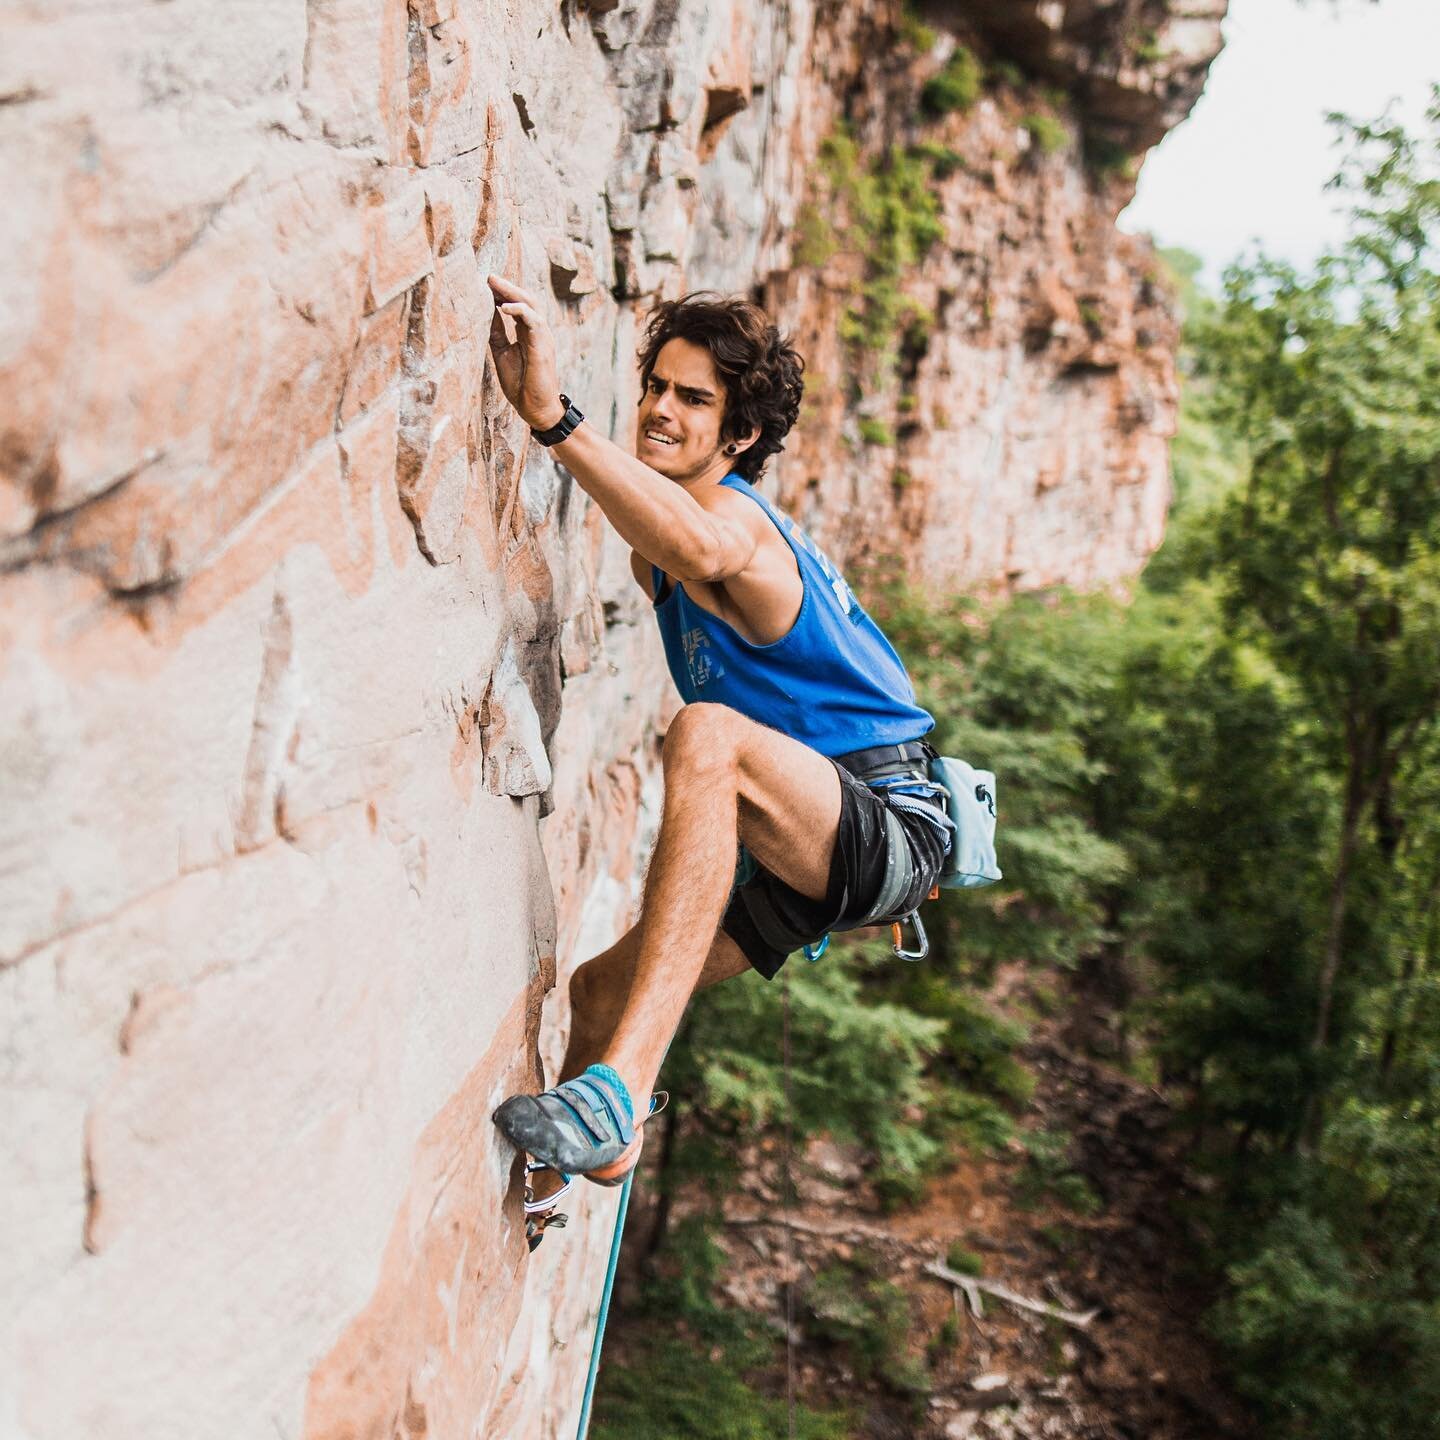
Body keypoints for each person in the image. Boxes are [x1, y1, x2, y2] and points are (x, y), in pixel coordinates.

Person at [487, 274, 952, 1218]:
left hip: (881, 819)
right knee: (599, 989)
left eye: (693, 399)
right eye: (656, 385)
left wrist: (551, 417)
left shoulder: (736, 526)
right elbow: (664, 538)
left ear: (739, 437)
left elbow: (704, 550)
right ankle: (557, 1185)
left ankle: (618, 1098)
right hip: (804, 833)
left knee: (707, 735)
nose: (661, 408)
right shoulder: (655, 547)